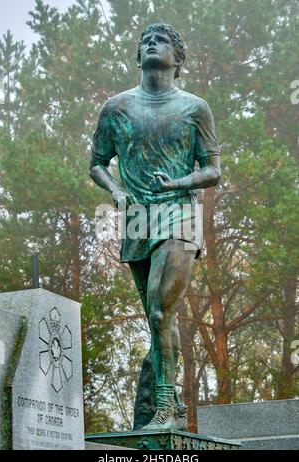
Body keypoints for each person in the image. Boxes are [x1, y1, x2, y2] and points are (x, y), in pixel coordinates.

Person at [90, 23, 221, 431]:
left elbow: (213, 170)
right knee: (157, 316)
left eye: (161, 40)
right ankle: (170, 403)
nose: (151, 43)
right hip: (137, 218)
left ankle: (162, 410)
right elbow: (97, 162)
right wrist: (115, 191)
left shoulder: (194, 107)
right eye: (145, 40)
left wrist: (179, 183)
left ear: (178, 60)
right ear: (137, 57)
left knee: (161, 309)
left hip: (180, 211)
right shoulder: (116, 108)